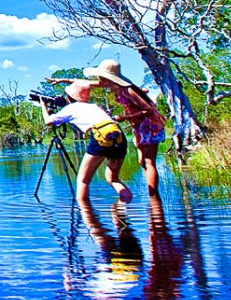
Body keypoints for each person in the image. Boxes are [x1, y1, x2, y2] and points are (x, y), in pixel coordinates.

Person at [40, 80, 133, 202]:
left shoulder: (70, 108)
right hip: (118, 134)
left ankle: (86, 213)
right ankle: (127, 205)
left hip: (100, 135)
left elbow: (48, 121)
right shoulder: (93, 106)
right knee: (113, 178)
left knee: (83, 180)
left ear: (69, 96)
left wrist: (43, 104)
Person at [83, 59, 166, 195]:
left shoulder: (127, 90)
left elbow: (149, 109)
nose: (98, 78)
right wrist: (63, 81)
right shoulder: (112, 85)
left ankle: (153, 196)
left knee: (148, 162)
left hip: (150, 125)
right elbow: (88, 84)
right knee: (142, 161)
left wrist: (124, 118)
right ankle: (152, 193)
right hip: (139, 125)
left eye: (101, 75)